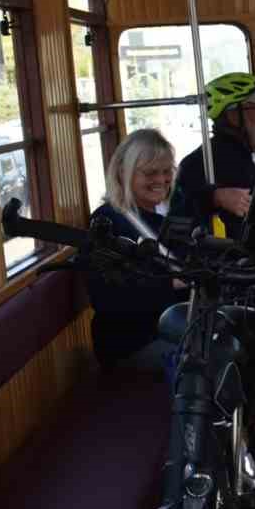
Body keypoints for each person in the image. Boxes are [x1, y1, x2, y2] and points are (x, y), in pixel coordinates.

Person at [83, 129, 187, 379]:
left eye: (166, 171)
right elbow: (106, 298)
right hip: (131, 345)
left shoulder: (162, 219)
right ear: (123, 173)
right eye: (150, 173)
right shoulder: (107, 222)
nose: (161, 180)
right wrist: (171, 283)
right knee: (216, 354)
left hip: (173, 327)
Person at [168, 71, 255, 237]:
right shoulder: (198, 163)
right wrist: (214, 198)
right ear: (232, 114)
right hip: (224, 259)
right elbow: (177, 221)